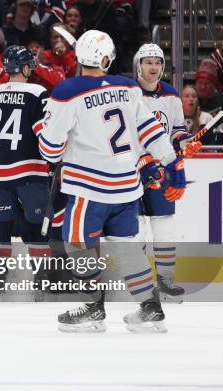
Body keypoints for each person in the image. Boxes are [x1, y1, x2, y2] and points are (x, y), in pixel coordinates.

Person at [36, 30, 186, 333]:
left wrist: (43, 127)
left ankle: (93, 308)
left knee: (77, 245)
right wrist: (173, 164)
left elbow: (50, 150)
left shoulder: (67, 92)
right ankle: (150, 309)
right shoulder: (129, 87)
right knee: (128, 249)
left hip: (88, 189)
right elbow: (151, 131)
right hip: (127, 188)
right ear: (107, 58)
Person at [0, 46, 51, 293]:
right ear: (25, 67)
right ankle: (42, 281)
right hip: (29, 169)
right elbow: (44, 133)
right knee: (36, 227)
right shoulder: (38, 92)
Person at [133, 43, 195, 303]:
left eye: (158, 62)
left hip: (161, 168)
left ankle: (166, 281)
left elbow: (176, 131)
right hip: (132, 170)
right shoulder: (127, 93)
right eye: (148, 62)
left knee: (164, 225)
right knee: (133, 230)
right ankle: (137, 283)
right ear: (138, 65)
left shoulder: (171, 95)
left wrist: (184, 140)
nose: (154, 67)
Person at [195, 59, 223, 144]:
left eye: (207, 83)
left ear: (214, 85)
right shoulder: (191, 99)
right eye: (200, 83)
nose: (203, 87)